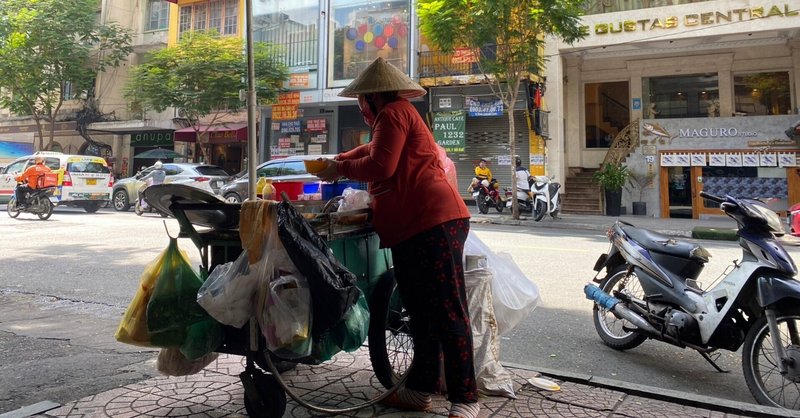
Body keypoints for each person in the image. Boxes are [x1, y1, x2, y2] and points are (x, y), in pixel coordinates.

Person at [315, 57, 479, 418]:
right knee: (420, 312)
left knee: (447, 309)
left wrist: (338, 168)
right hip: (412, 228)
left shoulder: (393, 113)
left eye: (361, 100)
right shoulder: (391, 119)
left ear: (371, 97)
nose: (360, 107)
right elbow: (369, 152)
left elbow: (380, 166)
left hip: (433, 221)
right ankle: (420, 389)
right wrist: (336, 159)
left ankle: (465, 397)